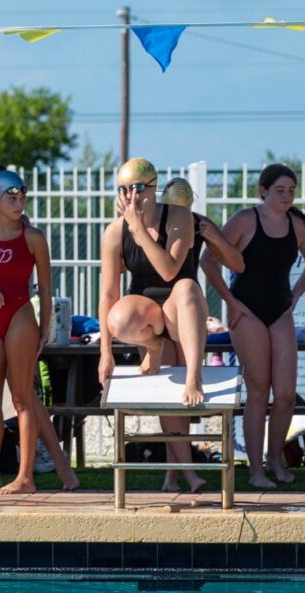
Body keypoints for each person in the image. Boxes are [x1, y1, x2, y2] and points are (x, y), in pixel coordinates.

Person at [0, 161, 78, 491]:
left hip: (20, 314)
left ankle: (25, 477)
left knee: (22, 397)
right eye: (12, 197)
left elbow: (45, 288)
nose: (19, 203)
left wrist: (46, 326)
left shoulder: (32, 236)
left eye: (23, 197)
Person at [200, 163, 305, 488]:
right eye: (280, 190)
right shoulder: (245, 220)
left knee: (284, 394)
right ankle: (255, 470)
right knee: (258, 391)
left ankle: (275, 460)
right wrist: (229, 300)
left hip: (280, 313)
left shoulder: (297, 225)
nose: (286, 196)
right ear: (263, 190)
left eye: (291, 191)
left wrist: (295, 297)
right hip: (247, 312)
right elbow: (208, 260)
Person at [98, 158, 207, 493]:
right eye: (124, 190)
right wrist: (106, 352)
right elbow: (108, 293)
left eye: (138, 189)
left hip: (180, 310)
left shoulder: (178, 216)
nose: (131, 196)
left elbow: (170, 271)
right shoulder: (115, 231)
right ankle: (184, 474)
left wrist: (140, 230)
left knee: (187, 287)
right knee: (118, 317)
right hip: (147, 314)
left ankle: (194, 375)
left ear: (153, 188)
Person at [156, 177, 245, 492]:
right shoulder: (152, 221)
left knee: (180, 395)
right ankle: (185, 472)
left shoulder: (198, 223)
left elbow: (238, 264)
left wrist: (216, 240)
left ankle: (173, 474)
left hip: (187, 310)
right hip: (157, 310)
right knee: (169, 395)